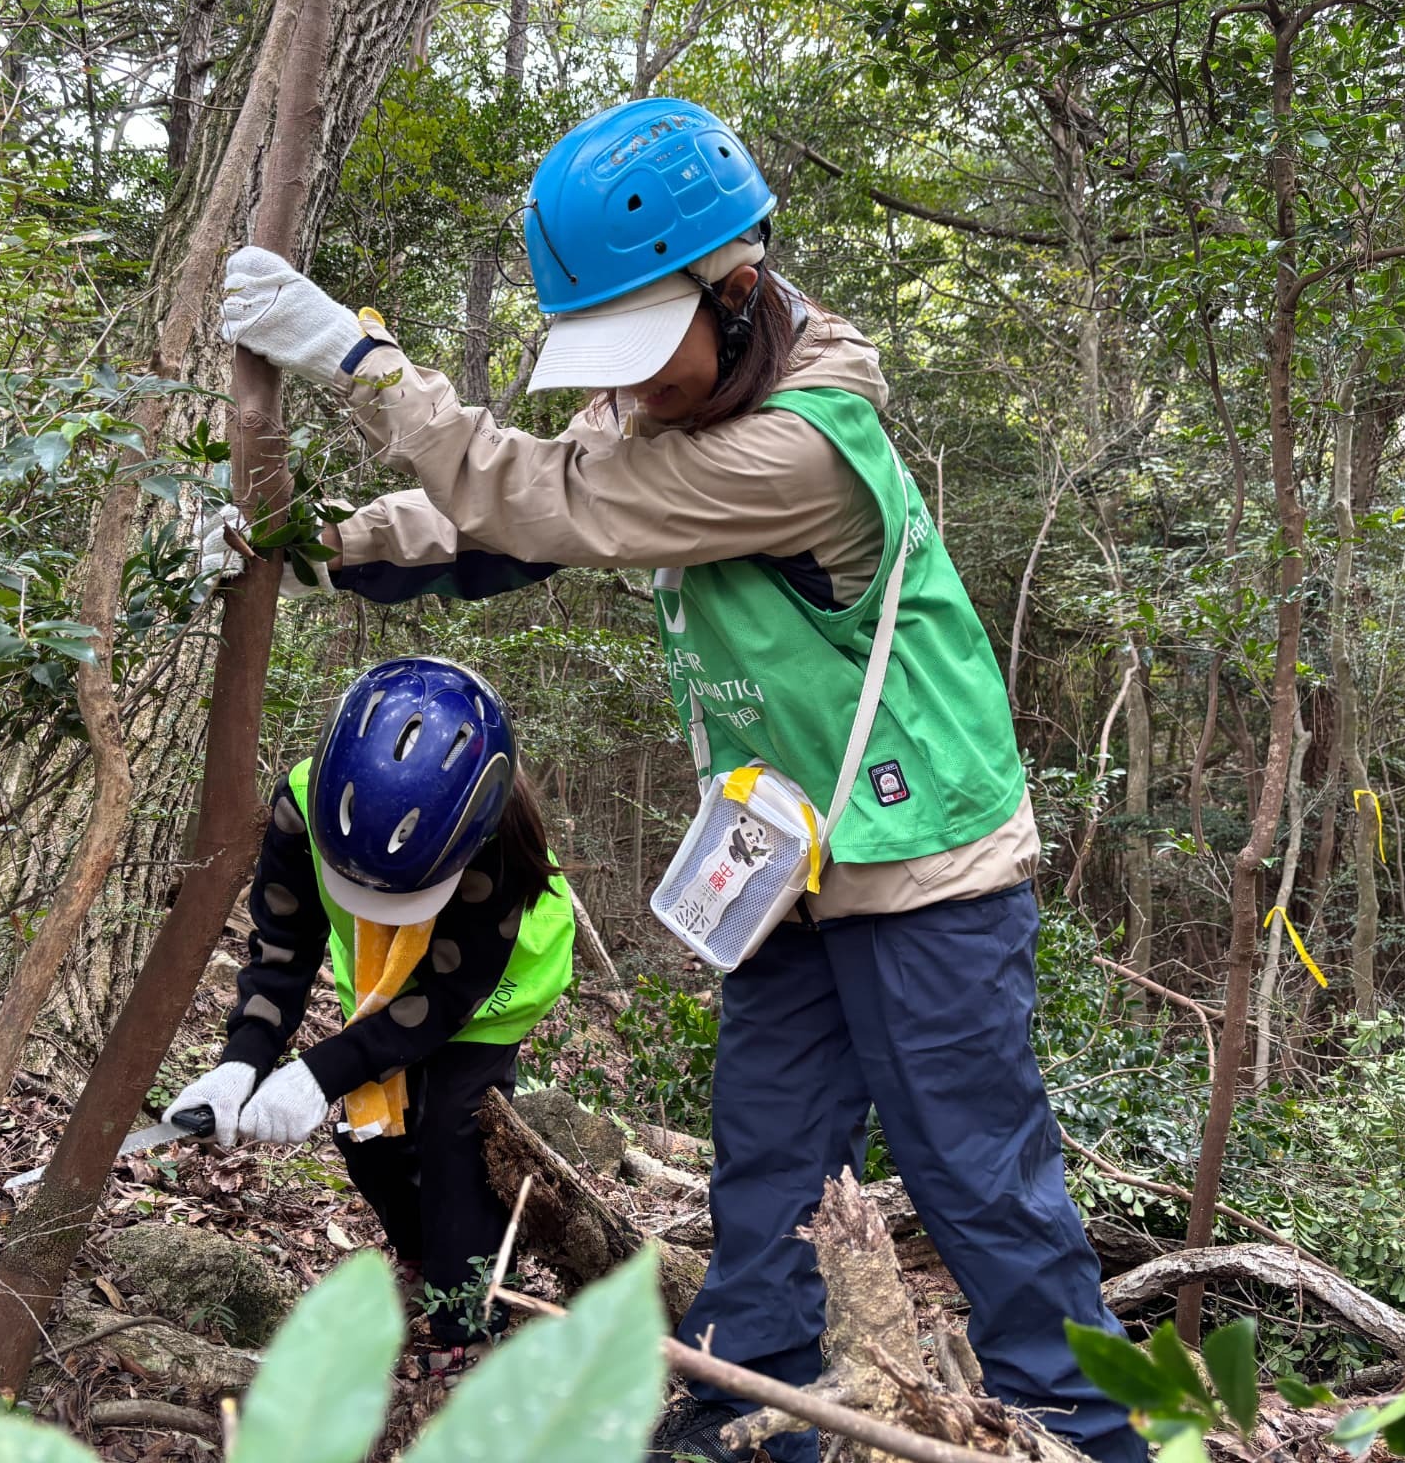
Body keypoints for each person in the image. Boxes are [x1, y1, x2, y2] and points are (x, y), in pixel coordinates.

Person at [212, 98, 1146, 1463]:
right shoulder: (672, 413)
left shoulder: (806, 447)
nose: (635, 390)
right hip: (790, 873)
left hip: (926, 863)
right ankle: (747, 1426)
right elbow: (498, 531)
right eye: (618, 363)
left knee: (979, 1181)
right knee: (767, 1173)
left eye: (653, 355)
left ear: (742, 290)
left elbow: (549, 503)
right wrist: (300, 545)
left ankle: (1083, 1433)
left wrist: (367, 365)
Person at [160, 655, 574, 1380]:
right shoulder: (303, 803)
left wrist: (317, 1070)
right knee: (369, 1135)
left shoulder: (499, 839)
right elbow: (284, 947)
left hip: (492, 988)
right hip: (385, 981)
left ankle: (465, 1318)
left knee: (451, 1135)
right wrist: (243, 1060)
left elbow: (443, 1001)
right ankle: (421, 1253)